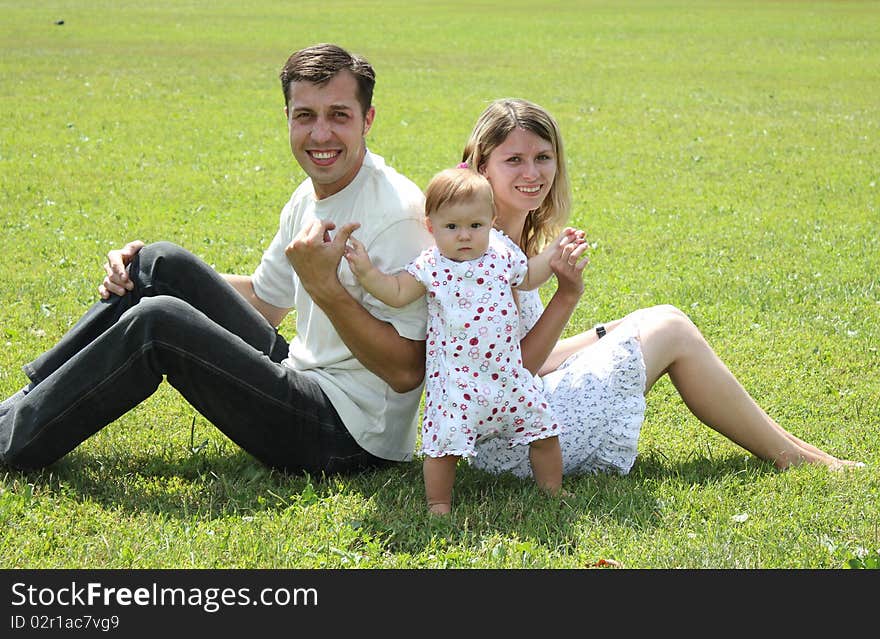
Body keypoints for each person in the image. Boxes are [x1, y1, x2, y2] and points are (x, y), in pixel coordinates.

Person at [0, 43, 434, 476]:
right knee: (158, 262)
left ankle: (10, 440)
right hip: (301, 376)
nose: (320, 135)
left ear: (367, 120)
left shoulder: (396, 214)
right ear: (287, 118)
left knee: (160, 322)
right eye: (306, 116)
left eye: (339, 115)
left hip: (349, 434)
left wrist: (326, 288)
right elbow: (265, 302)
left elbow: (406, 372)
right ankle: (24, 401)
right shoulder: (310, 193)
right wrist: (138, 271)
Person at [457, 97, 862, 480]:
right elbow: (511, 372)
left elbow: (531, 358)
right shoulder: (482, 253)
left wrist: (608, 331)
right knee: (671, 330)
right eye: (514, 160)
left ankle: (800, 451)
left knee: (661, 317)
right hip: (517, 444)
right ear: (482, 166)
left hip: (521, 420)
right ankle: (795, 457)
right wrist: (566, 297)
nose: (533, 173)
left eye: (543, 158)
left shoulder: (504, 239)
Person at [343, 166, 588, 513]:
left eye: (475, 226)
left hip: (508, 376)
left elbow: (530, 276)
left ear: (491, 221)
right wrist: (367, 272)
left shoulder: (501, 254)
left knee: (544, 431)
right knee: (444, 449)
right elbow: (396, 292)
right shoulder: (431, 265)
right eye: (452, 227)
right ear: (431, 227)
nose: (464, 236)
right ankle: (438, 503)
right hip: (458, 385)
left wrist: (555, 252)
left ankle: (552, 489)